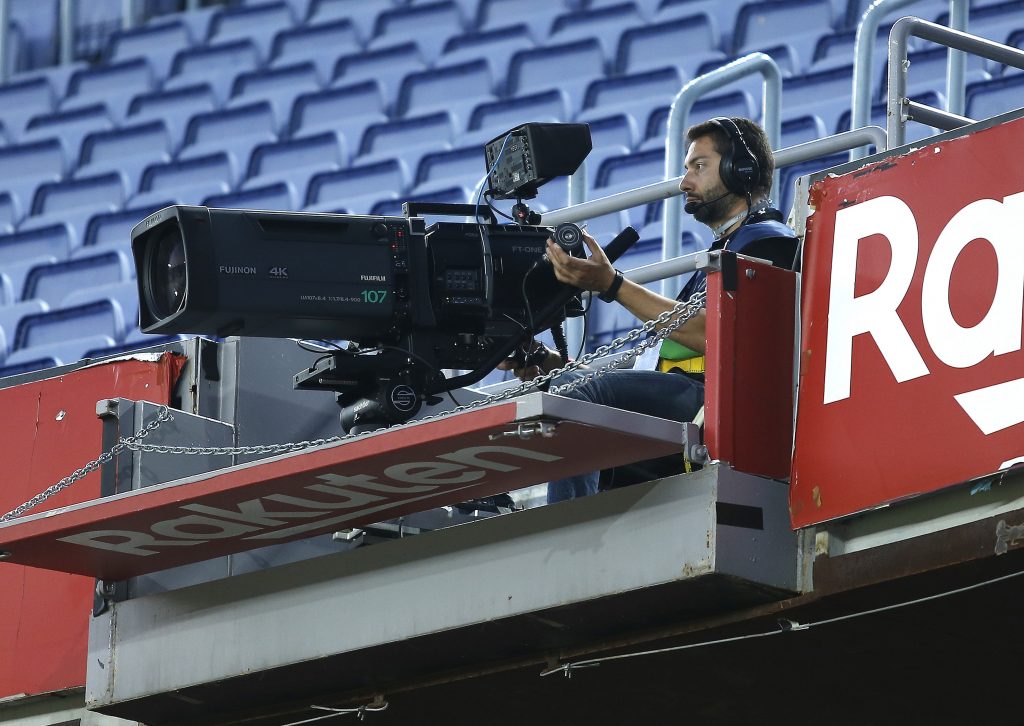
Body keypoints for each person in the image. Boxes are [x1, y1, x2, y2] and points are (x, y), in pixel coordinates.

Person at [499, 117, 799, 503]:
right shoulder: (722, 256)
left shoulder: (768, 242)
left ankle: (567, 545)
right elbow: (645, 377)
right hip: (688, 405)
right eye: (686, 168)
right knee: (562, 396)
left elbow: (713, 334)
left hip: (721, 408)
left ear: (741, 171)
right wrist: (546, 361)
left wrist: (612, 285)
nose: (684, 182)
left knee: (574, 402)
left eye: (699, 166)